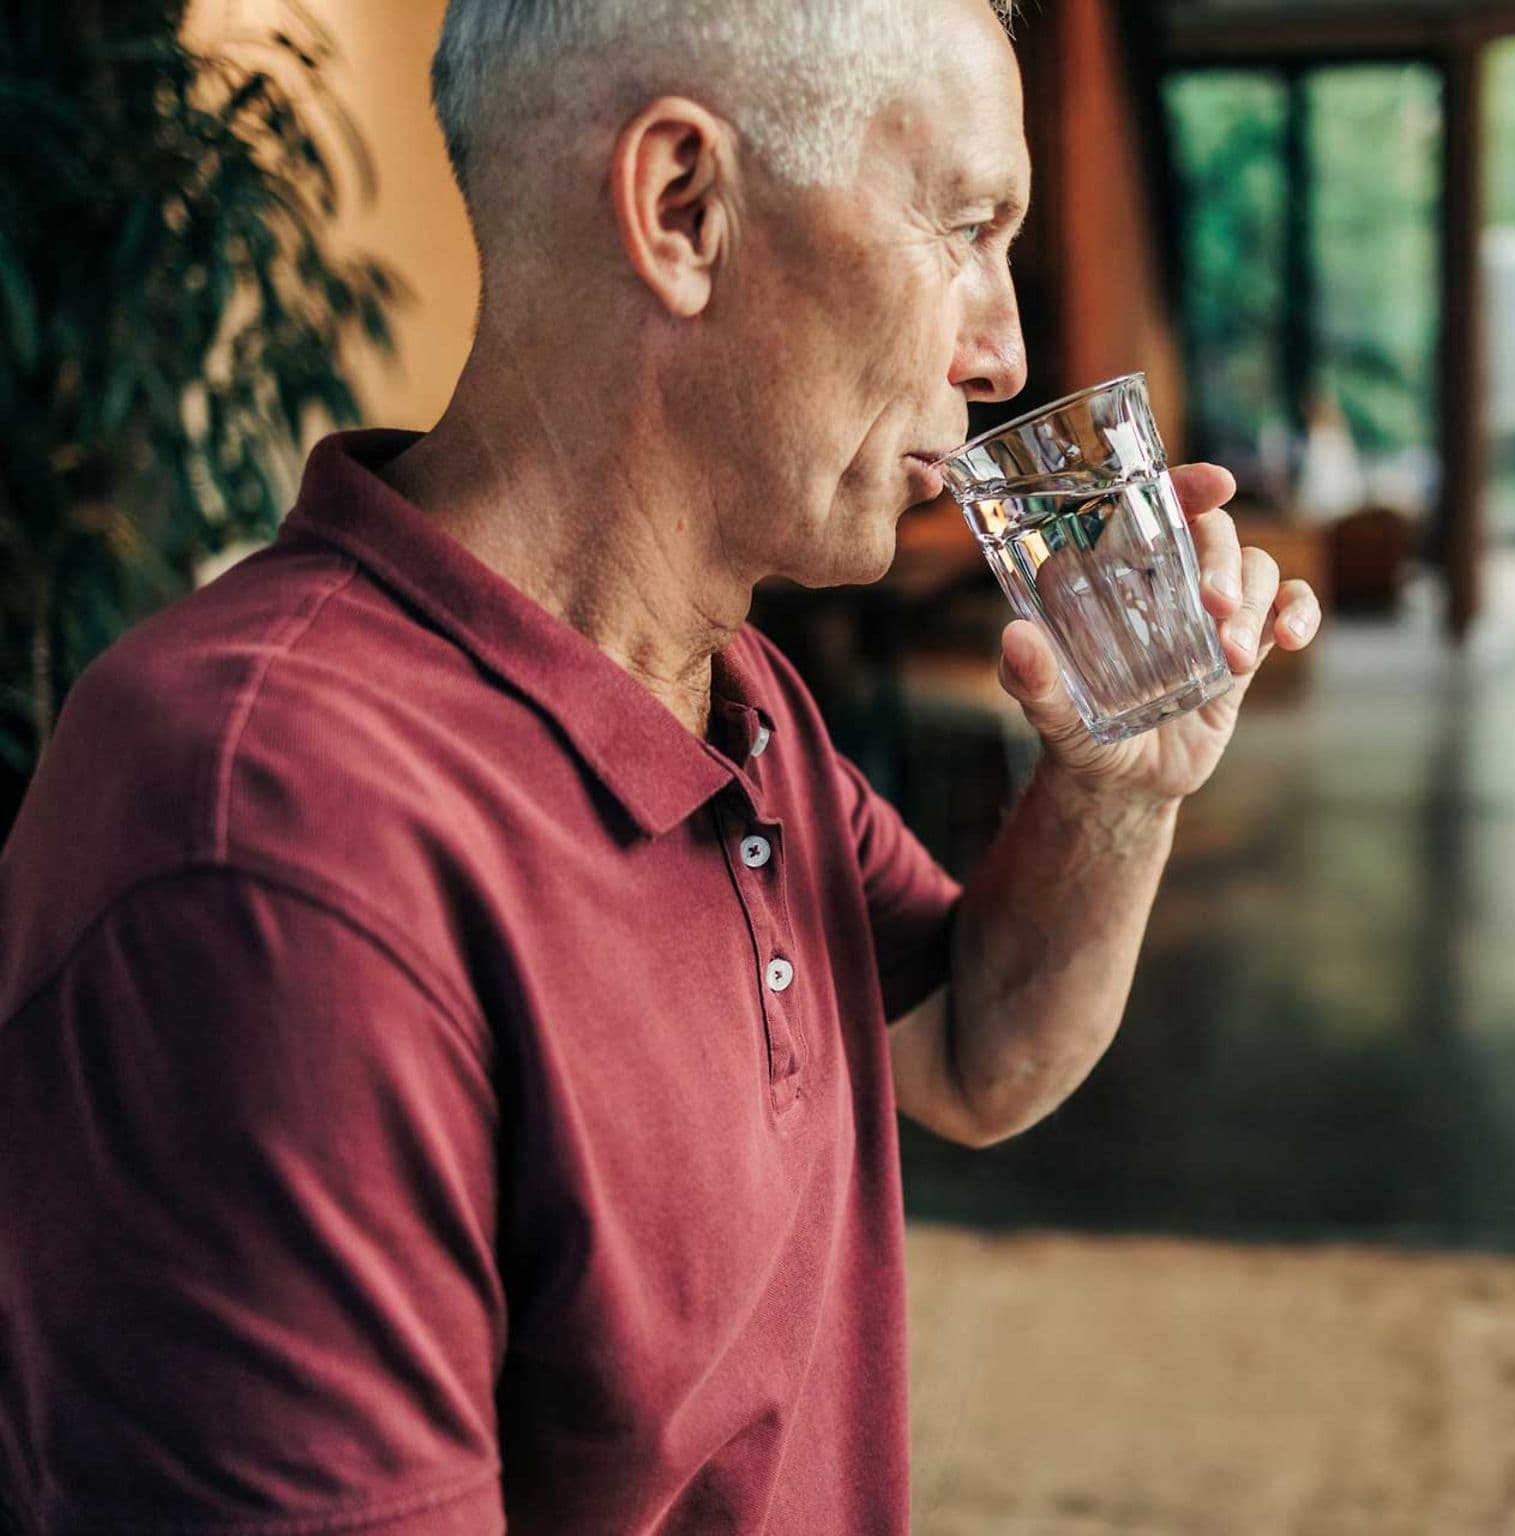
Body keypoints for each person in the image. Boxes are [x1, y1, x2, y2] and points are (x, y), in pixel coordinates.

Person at [0, 1, 1322, 1530]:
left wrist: (1116, 784)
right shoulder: (261, 843)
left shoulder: (733, 692)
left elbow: (972, 1049)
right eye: (966, 229)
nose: (1005, 349)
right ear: (683, 209)